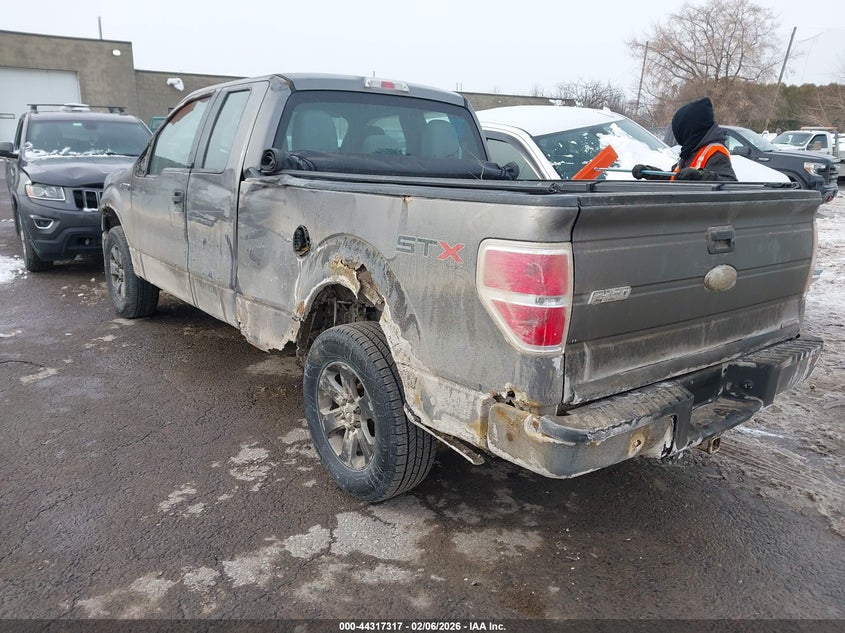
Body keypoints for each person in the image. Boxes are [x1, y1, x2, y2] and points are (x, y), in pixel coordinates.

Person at [633, 97, 737, 182]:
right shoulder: (692, 151)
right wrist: (649, 172)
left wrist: (700, 176)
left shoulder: (716, 153)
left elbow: (729, 184)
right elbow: (674, 178)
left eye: (680, 130)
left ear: (690, 129)